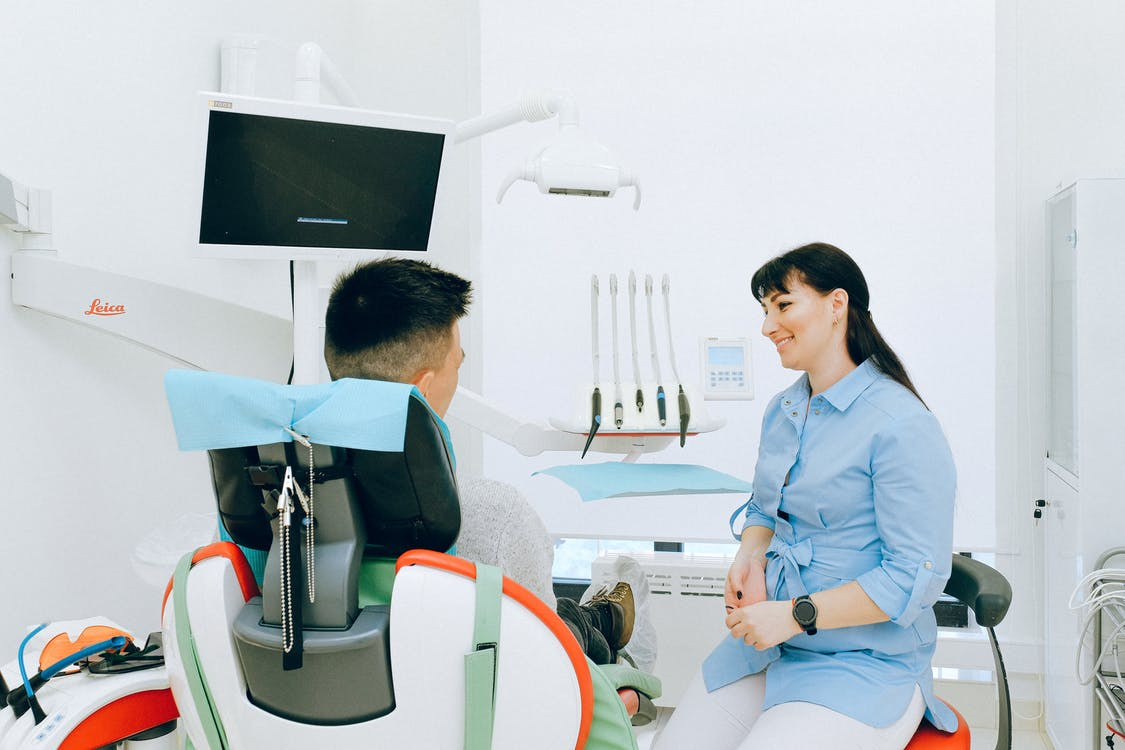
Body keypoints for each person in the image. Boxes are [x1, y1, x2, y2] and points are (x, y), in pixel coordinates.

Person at [654, 242, 956, 749]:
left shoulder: (901, 426)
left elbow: (912, 575)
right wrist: (749, 556)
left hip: (863, 664)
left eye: (782, 304)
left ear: (836, 305)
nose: (768, 326)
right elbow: (763, 507)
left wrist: (795, 614)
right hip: (775, 649)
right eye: (765, 310)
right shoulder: (786, 409)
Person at [323, 256, 637, 668]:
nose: (460, 367)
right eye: (458, 361)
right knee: (569, 627)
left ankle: (596, 614)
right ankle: (601, 621)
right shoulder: (495, 514)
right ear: (424, 388)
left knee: (561, 613)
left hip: (330, 702)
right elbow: (547, 664)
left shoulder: (275, 502)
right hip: (476, 705)